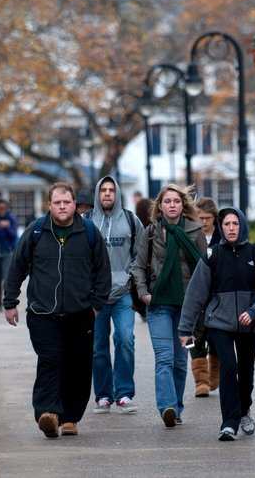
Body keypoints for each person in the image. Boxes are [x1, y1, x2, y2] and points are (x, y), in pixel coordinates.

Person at [3, 182, 111, 438]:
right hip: (43, 313)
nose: (62, 207)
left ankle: (71, 417)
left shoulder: (89, 232)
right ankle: (47, 413)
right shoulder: (37, 231)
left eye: (67, 202)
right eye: (57, 203)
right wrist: (10, 302)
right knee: (51, 361)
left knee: (78, 365)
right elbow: (17, 267)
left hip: (80, 312)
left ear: (75, 205)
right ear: (49, 205)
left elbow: (102, 271)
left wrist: (96, 304)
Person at [178, 207, 255, 441]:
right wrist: (185, 328)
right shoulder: (212, 256)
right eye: (226, 225)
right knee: (228, 366)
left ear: (242, 225)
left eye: (235, 224)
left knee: (245, 371)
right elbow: (195, 294)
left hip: (249, 324)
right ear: (221, 228)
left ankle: (244, 411)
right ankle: (228, 423)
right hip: (219, 323)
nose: (231, 228)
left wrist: (254, 311)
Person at [131, 184, 207, 427]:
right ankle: (168, 407)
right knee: (164, 357)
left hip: (188, 308)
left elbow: (204, 268)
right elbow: (138, 265)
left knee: (179, 360)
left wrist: (202, 301)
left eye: (176, 201)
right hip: (159, 303)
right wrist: (143, 293)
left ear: (182, 204)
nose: (172, 205)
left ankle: (177, 406)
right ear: (160, 206)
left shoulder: (195, 231)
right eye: (167, 201)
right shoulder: (151, 232)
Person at [90, 176, 144, 414]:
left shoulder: (131, 220)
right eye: (103, 190)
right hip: (95, 296)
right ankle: (103, 395)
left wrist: (130, 277)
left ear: (118, 193)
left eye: (112, 190)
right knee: (97, 346)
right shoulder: (87, 222)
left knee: (125, 340)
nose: (108, 194)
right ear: (98, 194)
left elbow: (141, 254)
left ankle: (123, 393)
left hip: (123, 293)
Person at [191, 196, 222, 396]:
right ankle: (200, 381)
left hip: (218, 295)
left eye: (207, 218)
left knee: (218, 337)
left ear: (214, 218)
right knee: (196, 337)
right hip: (196, 294)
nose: (203, 222)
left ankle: (214, 375)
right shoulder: (192, 236)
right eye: (200, 217)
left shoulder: (223, 237)